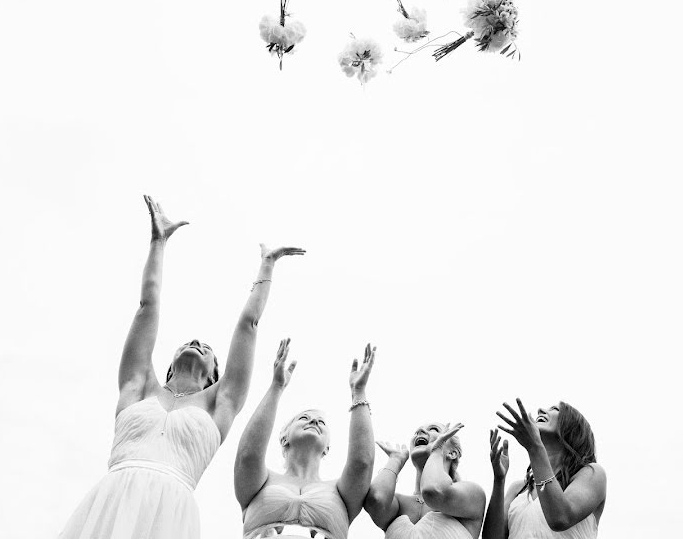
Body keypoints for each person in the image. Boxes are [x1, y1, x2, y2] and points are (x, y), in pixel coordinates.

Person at [60, 195, 304, 539]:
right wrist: (158, 242)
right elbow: (148, 305)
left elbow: (248, 324)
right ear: (170, 364)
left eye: (207, 349)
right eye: (188, 343)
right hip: (114, 496)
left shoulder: (221, 403)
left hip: (171, 510)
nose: (196, 344)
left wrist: (266, 266)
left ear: (214, 377)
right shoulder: (139, 384)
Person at [235, 340, 377, 539]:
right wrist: (277, 387)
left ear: (327, 448)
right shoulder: (261, 481)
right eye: (304, 418)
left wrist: (358, 392)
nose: (313, 421)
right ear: (284, 437)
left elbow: (362, 463)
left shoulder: (341, 492)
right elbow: (247, 456)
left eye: (321, 422)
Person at [484, 399, 606, 539]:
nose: (540, 410)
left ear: (574, 428)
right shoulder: (519, 488)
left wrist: (534, 447)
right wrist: (499, 480)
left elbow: (560, 518)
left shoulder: (592, 474)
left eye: (554, 409)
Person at [364, 422, 486, 539]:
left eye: (433, 429)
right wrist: (395, 459)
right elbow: (376, 500)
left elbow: (435, 491)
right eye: (417, 431)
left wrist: (437, 449)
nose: (420, 431)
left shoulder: (472, 496)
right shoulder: (398, 503)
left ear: (452, 453)